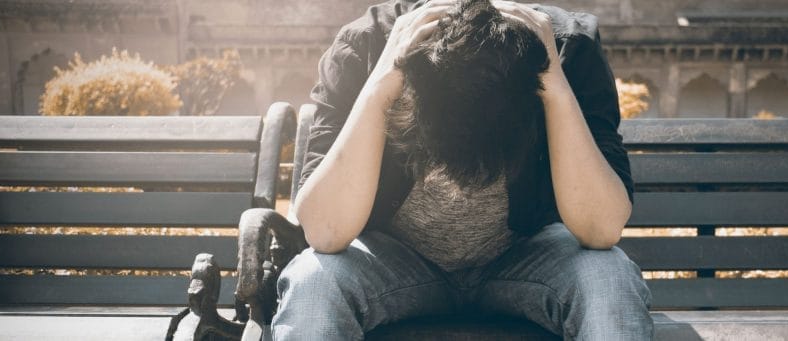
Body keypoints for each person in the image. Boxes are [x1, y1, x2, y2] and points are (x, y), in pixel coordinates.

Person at [270, 0, 652, 339]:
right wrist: (381, 84)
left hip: (526, 256)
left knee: (609, 279)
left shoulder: (567, 46)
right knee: (314, 282)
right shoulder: (366, 45)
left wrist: (554, 84)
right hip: (395, 261)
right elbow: (325, 232)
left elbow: (600, 229)